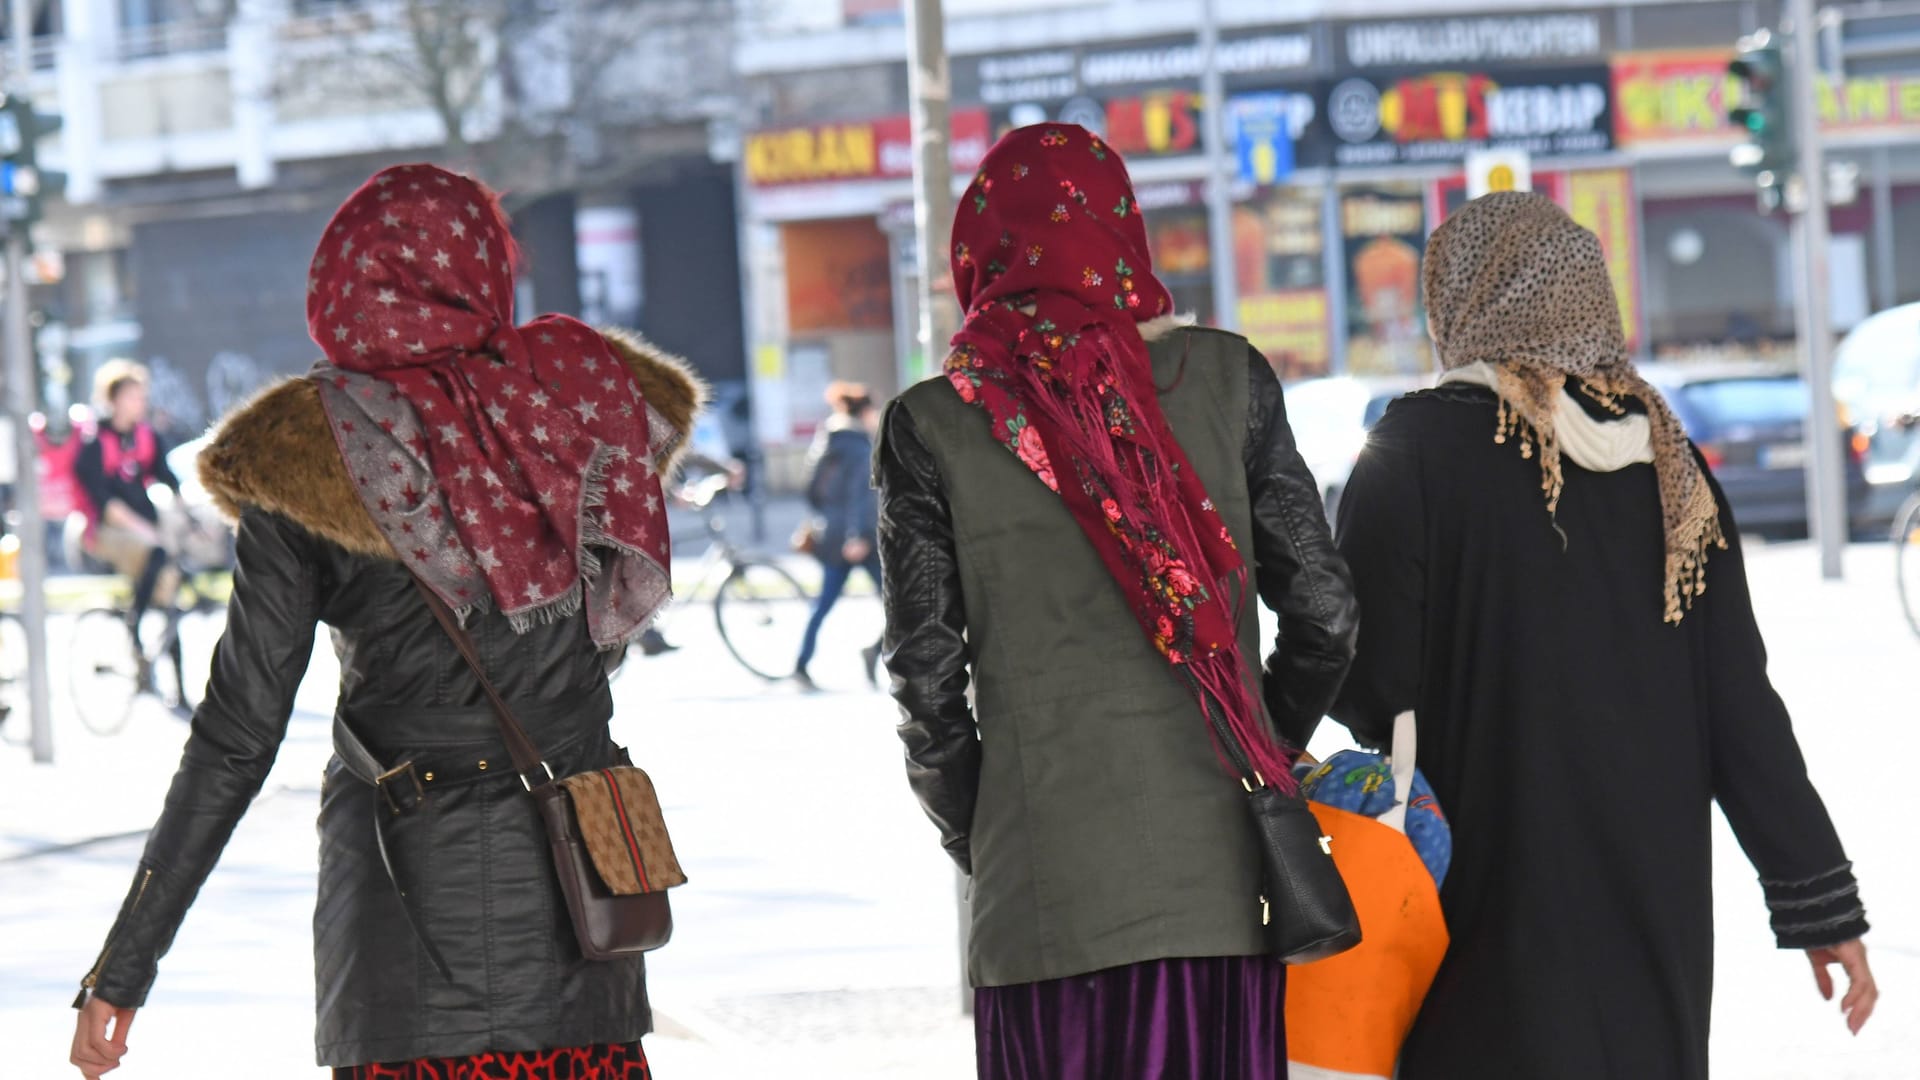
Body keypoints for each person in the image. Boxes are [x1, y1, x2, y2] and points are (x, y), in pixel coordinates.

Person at [70, 164, 706, 1080]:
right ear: (484, 271)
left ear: (343, 286)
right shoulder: (582, 403)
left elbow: (237, 736)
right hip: (584, 913)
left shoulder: (306, 452)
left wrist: (125, 965)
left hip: (404, 934)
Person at [1327, 192, 1876, 1080]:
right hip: (1651, 918)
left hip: (1481, 916)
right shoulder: (1673, 468)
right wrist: (1821, 905)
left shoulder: (1416, 450)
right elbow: (1740, 710)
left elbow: (1367, 684)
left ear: (1458, 299)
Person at [874, 124, 1358, 1078]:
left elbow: (927, 687)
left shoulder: (931, 425)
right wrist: (1260, 738)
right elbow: (1326, 613)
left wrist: (992, 833)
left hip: (1043, 898)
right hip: (1220, 884)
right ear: (1125, 234)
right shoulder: (1230, 379)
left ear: (982, 250)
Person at [73, 362, 190, 713]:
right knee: (155, 552)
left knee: (172, 599)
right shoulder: (96, 442)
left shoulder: (146, 437)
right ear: (114, 400)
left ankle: (179, 690)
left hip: (145, 528)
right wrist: (147, 531)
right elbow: (104, 503)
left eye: (142, 396)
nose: (141, 402)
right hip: (107, 533)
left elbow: (168, 478)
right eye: (133, 396)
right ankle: (134, 624)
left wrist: (190, 511)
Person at [792, 381, 882, 691]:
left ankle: (801, 665)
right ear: (866, 412)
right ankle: (876, 651)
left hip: (829, 535)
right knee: (899, 605)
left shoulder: (826, 440)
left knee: (823, 604)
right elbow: (862, 494)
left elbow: (810, 488)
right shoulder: (860, 446)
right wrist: (856, 535)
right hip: (860, 539)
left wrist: (828, 520)